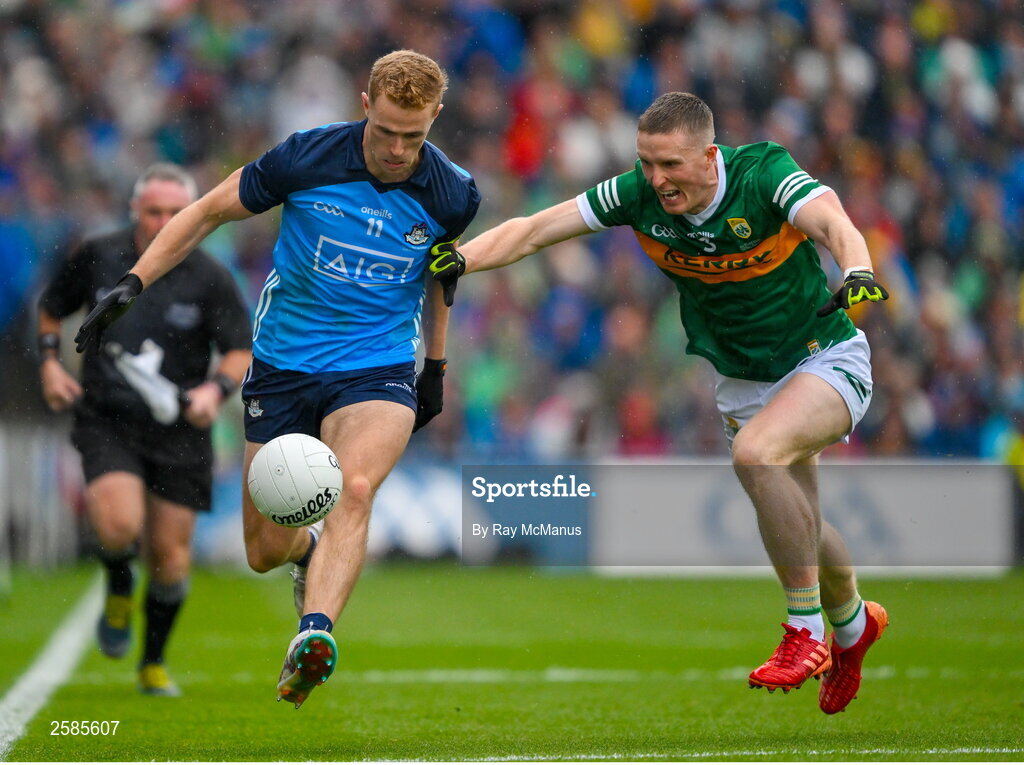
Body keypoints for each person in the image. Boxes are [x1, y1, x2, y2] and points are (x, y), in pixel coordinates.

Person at [433, 92, 889, 715]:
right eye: (646, 162)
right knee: (802, 520)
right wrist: (462, 258)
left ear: (709, 156)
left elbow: (834, 220)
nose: (656, 179)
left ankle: (806, 631)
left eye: (670, 165)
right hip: (742, 380)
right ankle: (854, 626)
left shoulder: (764, 173)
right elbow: (537, 229)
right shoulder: (637, 194)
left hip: (825, 355)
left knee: (757, 457)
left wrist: (857, 268)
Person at [74, 50, 480, 709]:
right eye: (386, 132)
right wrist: (133, 281)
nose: (400, 150)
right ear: (364, 104)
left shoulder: (454, 193)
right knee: (265, 548)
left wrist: (434, 366)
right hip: (284, 367)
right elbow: (206, 211)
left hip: (376, 367)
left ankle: (313, 634)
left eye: (416, 136)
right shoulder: (304, 158)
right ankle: (308, 553)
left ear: (436, 116)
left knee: (354, 485)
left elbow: (441, 274)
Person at [38, 163, 252, 696]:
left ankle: (152, 661)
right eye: (154, 211)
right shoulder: (98, 255)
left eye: (175, 213)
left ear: (194, 216)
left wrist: (214, 392)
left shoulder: (210, 276)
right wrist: (48, 364)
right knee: (117, 525)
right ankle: (117, 584)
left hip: (180, 428)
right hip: (107, 418)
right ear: (135, 210)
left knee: (171, 558)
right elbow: (50, 308)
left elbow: (239, 351)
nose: (163, 221)